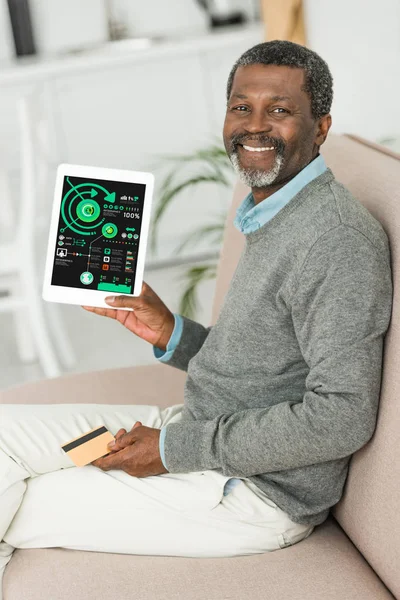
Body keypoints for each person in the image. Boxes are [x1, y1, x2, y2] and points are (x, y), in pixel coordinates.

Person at [0, 40, 393, 593]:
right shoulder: (274, 207)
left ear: (321, 127)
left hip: (253, 493)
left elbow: (341, 417)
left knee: (25, 500)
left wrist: (171, 451)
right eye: (241, 107)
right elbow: (267, 361)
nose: (253, 126)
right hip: (198, 430)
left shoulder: (335, 241)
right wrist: (173, 333)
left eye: (278, 110)